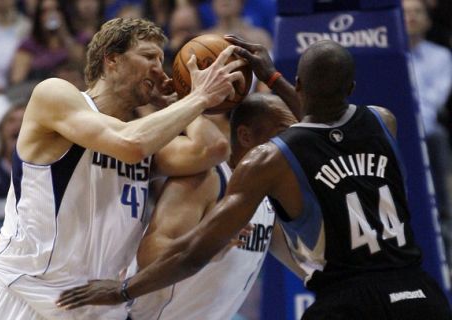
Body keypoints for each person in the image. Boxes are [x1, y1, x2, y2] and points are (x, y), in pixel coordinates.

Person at [57, 39, 452, 319]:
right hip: (418, 293)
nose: (293, 132)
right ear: (350, 89)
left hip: (350, 300)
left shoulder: (274, 167)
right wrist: (275, 78)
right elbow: (161, 252)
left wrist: (119, 290)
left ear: (301, 88)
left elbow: (313, 130)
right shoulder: (383, 122)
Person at [0, 17, 244, 320]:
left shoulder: (143, 134)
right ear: (112, 60)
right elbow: (129, 144)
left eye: (161, 59)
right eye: (147, 57)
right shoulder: (56, 96)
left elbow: (211, 149)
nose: (159, 68)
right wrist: (199, 97)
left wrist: (176, 102)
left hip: (99, 305)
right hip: (27, 295)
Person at [127, 93, 305, 320]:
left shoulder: (267, 195)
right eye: (282, 135)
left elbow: (307, 264)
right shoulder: (208, 178)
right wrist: (205, 248)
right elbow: (148, 255)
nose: (289, 146)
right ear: (245, 136)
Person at [402, 0, 452, 271]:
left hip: (426, 134)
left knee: (437, 135)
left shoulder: (441, 56)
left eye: (416, 12)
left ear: (428, 19)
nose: (410, 17)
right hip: (394, 131)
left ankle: (445, 248)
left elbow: (432, 106)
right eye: (405, 12)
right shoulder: (388, 56)